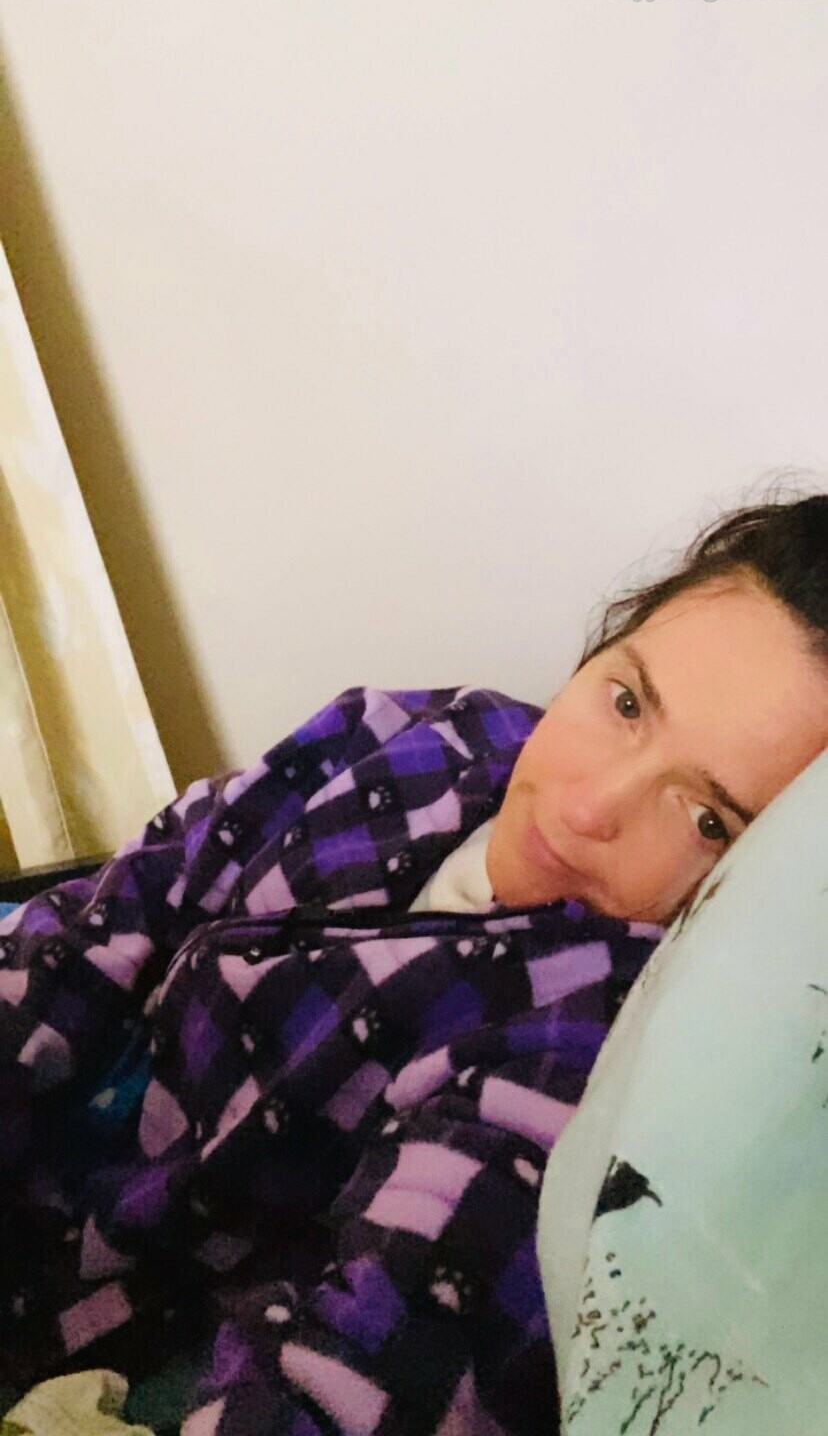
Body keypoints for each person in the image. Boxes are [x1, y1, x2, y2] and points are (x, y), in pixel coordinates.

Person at [0, 493, 825, 1436]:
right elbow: (111, 912)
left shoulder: (584, 1064)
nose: (590, 807)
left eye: (709, 819)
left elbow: (369, 1373)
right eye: (628, 702)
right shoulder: (419, 738)